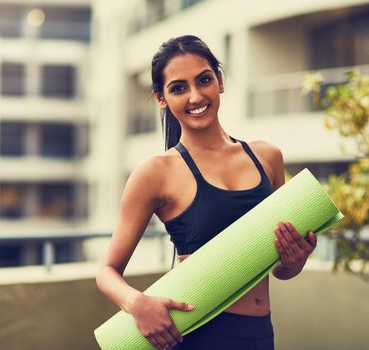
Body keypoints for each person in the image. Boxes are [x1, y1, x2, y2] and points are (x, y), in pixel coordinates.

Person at [95, 35, 318, 350]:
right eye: (178, 88)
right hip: (195, 334)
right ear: (161, 98)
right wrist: (137, 304)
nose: (195, 96)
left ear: (220, 81)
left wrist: (297, 258)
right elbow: (107, 272)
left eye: (204, 80)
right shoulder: (154, 173)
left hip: (259, 334)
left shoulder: (267, 157)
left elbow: (282, 271)